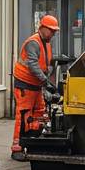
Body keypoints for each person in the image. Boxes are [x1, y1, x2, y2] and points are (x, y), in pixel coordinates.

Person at [11, 15, 59, 156]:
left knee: (39, 114)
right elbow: (33, 65)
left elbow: (45, 64)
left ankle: (32, 142)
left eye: (54, 31)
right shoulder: (33, 42)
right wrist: (46, 82)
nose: (53, 34)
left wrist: (46, 81)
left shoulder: (46, 43)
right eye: (51, 30)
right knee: (23, 116)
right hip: (25, 85)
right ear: (42, 28)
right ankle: (17, 148)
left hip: (36, 85)